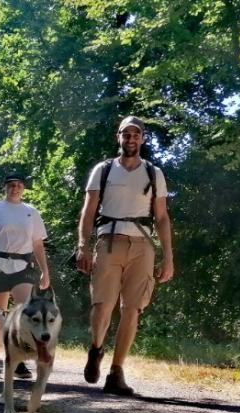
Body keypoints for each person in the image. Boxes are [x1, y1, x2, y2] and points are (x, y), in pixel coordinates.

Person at [76, 115, 174, 396]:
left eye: (136, 134)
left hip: (142, 244)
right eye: (125, 134)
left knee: (132, 308)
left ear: (142, 139)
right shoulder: (103, 170)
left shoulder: (154, 173)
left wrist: (168, 257)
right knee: (102, 306)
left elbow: (163, 217)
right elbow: (88, 210)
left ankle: (116, 372)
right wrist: (83, 245)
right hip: (108, 240)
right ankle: (96, 348)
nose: (131, 139)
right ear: (118, 137)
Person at [0, 173, 50, 379]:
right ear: (5, 187)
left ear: (23, 188)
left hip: (23, 266)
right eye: (11, 185)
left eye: (18, 185)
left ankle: (18, 361)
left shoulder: (31, 212)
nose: (14, 188)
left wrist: (45, 271)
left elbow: (38, 244)